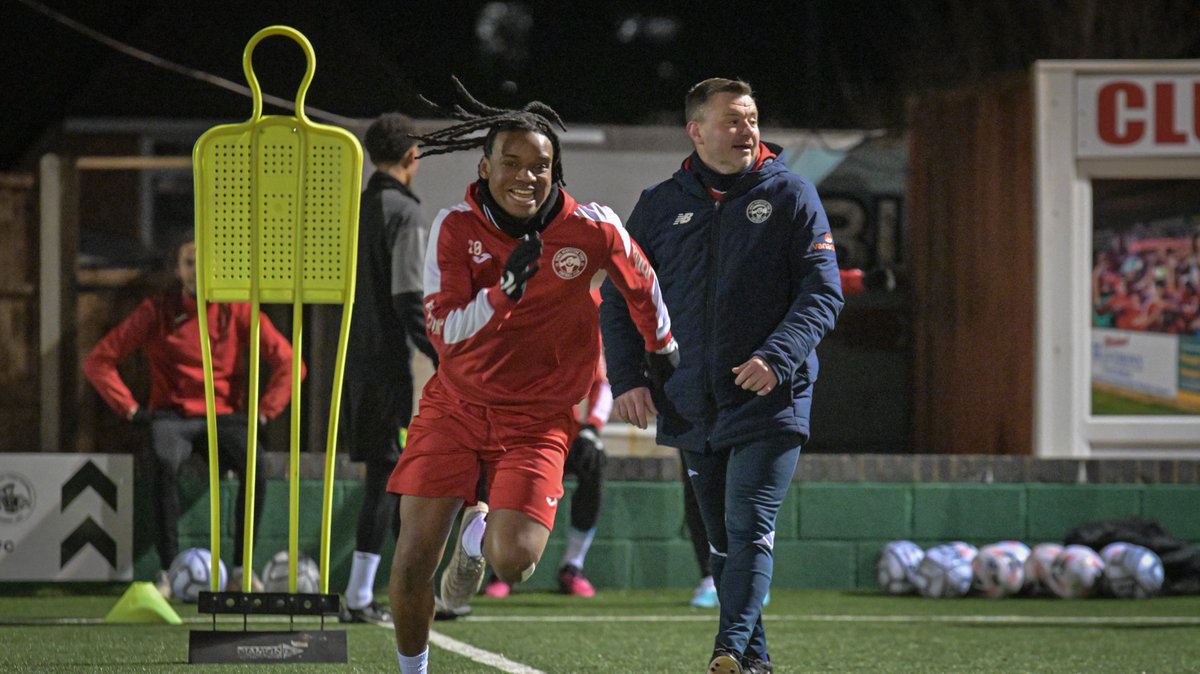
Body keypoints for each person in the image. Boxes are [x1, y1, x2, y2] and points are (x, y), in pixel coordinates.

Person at [385, 78, 676, 674]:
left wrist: (662, 347)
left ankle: (479, 540)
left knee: (514, 562)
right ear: (484, 165)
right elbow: (441, 330)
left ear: (556, 170)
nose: (526, 175)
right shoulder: (454, 226)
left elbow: (641, 279)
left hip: (540, 419)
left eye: (540, 165)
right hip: (457, 407)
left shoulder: (590, 227)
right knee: (414, 556)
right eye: (510, 163)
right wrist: (502, 294)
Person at [600, 78, 843, 674]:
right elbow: (618, 297)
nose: (747, 130)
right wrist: (628, 377)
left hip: (770, 398)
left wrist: (776, 357)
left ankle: (727, 649)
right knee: (721, 543)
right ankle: (752, 662)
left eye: (752, 118)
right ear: (697, 130)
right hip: (689, 403)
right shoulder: (659, 203)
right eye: (733, 120)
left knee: (748, 525)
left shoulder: (790, 195)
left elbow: (822, 293)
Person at [83, 237, 305, 597]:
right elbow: (97, 361)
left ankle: (239, 571)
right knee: (161, 459)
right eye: (189, 262)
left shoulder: (239, 310)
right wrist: (132, 410)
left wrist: (264, 413)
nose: (198, 271)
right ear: (177, 269)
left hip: (226, 416)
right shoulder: (157, 311)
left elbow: (292, 363)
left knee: (257, 462)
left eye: (205, 262)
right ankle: (169, 571)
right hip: (173, 416)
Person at [338, 112, 438, 626]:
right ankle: (358, 596)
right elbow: (408, 297)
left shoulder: (354, 211)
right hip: (383, 364)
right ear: (411, 156)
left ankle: (414, 590)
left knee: (390, 475)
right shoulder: (406, 212)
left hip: (347, 363)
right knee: (389, 477)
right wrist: (444, 354)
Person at [484, 289, 612, 599]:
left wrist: (592, 428)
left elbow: (601, 383)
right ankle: (496, 567)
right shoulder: (507, 315)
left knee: (593, 459)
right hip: (514, 433)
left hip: (559, 435)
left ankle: (573, 565)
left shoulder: (581, 320)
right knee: (492, 469)